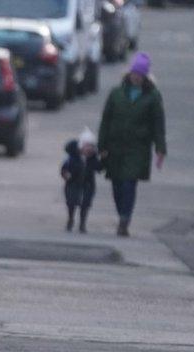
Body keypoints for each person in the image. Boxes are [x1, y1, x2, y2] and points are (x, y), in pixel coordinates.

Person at [98, 51, 167, 237]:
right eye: (134, 73)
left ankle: (124, 219)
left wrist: (160, 148)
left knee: (129, 183)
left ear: (145, 76)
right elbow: (106, 120)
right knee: (116, 184)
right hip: (115, 147)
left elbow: (158, 124)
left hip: (138, 148)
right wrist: (101, 146)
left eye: (140, 75)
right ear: (129, 73)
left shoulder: (152, 97)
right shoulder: (116, 94)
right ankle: (122, 212)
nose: (136, 77)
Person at [61, 127, 102, 233]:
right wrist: (66, 174)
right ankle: (70, 219)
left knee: (85, 204)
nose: (89, 149)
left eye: (92, 146)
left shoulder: (93, 159)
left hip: (88, 185)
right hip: (72, 184)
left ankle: (82, 223)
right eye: (87, 146)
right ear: (81, 146)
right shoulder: (72, 158)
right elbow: (64, 168)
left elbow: (99, 168)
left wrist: (103, 159)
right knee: (71, 203)